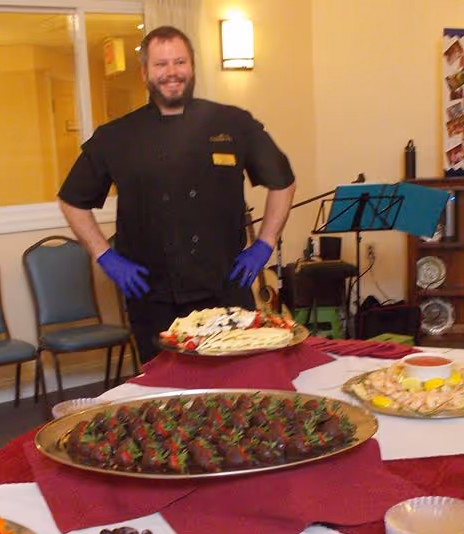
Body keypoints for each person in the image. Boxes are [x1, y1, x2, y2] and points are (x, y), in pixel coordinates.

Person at [57, 25, 296, 362]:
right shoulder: (116, 136)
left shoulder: (233, 123)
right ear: (144, 72)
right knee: (163, 395)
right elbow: (71, 200)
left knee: (235, 387)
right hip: (152, 296)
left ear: (193, 66)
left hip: (225, 289)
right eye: (160, 64)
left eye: (180, 62)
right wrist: (105, 256)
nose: (172, 72)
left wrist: (264, 243)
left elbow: (282, 181)